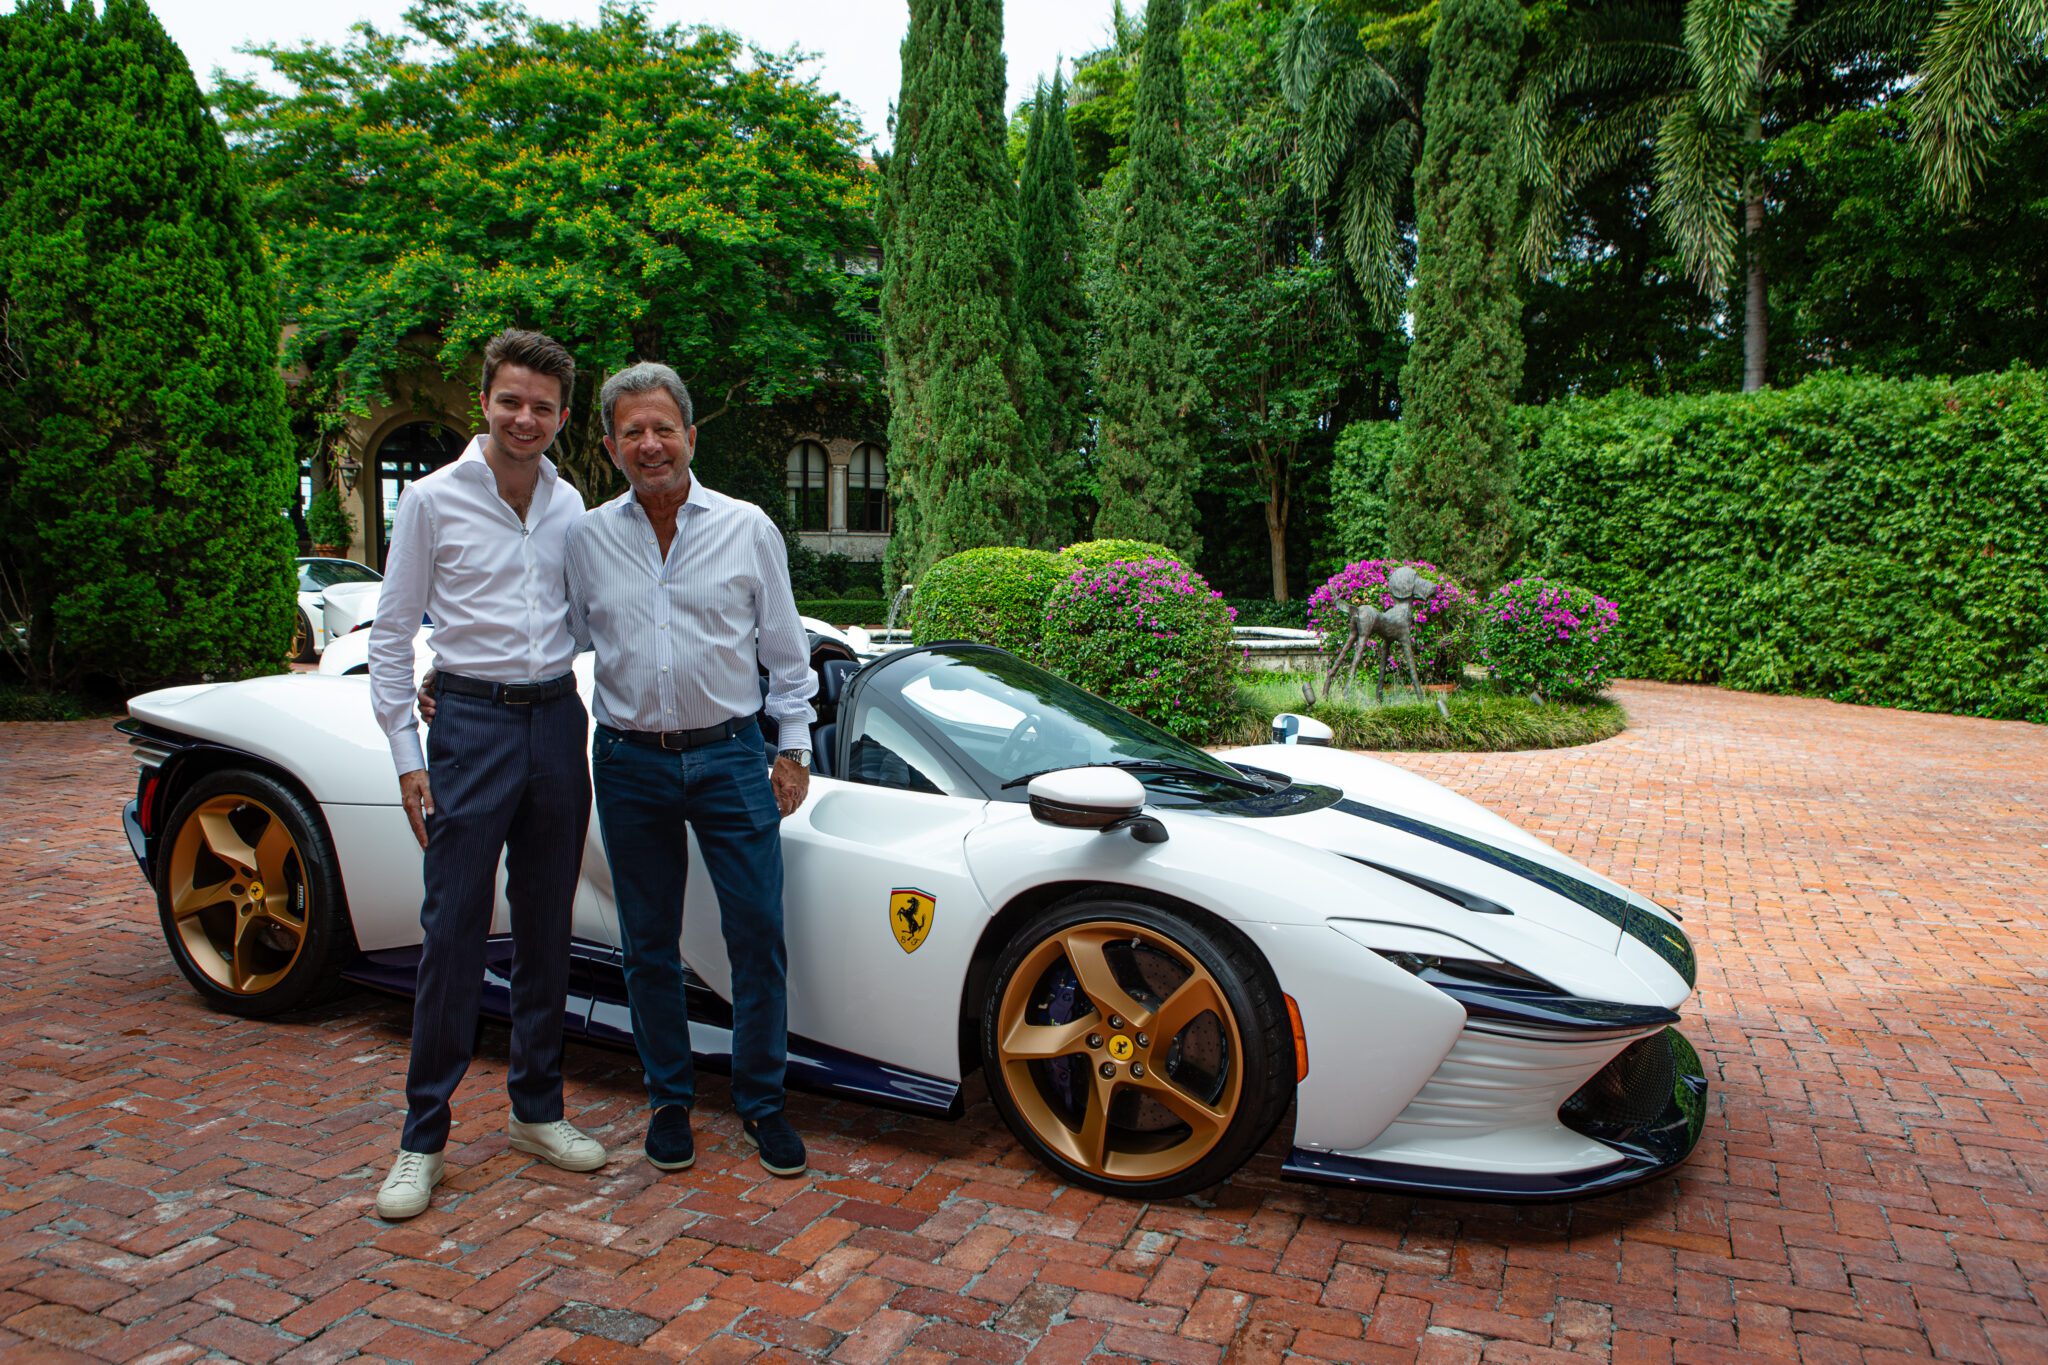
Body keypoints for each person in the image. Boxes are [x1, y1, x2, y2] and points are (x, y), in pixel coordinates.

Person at [366, 329, 606, 1221]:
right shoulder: (431, 500)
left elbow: (583, 621)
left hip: (554, 721)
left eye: (543, 406)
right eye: (511, 400)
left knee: (547, 927)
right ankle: (421, 1137)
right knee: (454, 931)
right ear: (485, 402)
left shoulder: (571, 505)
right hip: (467, 727)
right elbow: (392, 634)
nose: (526, 417)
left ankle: (536, 1112)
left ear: (563, 415)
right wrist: (407, 752)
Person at [569, 361, 817, 1177]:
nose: (650, 444)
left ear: (690, 435)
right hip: (630, 761)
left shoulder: (748, 528)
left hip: (731, 756)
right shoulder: (589, 538)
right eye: (632, 431)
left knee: (757, 936)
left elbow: (785, 652)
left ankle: (763, 1104)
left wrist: (791, 746)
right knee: (648, 943)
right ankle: (669, 1100)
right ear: (611, 445)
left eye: (662, 427)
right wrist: (453, 671)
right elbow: (551, 635)